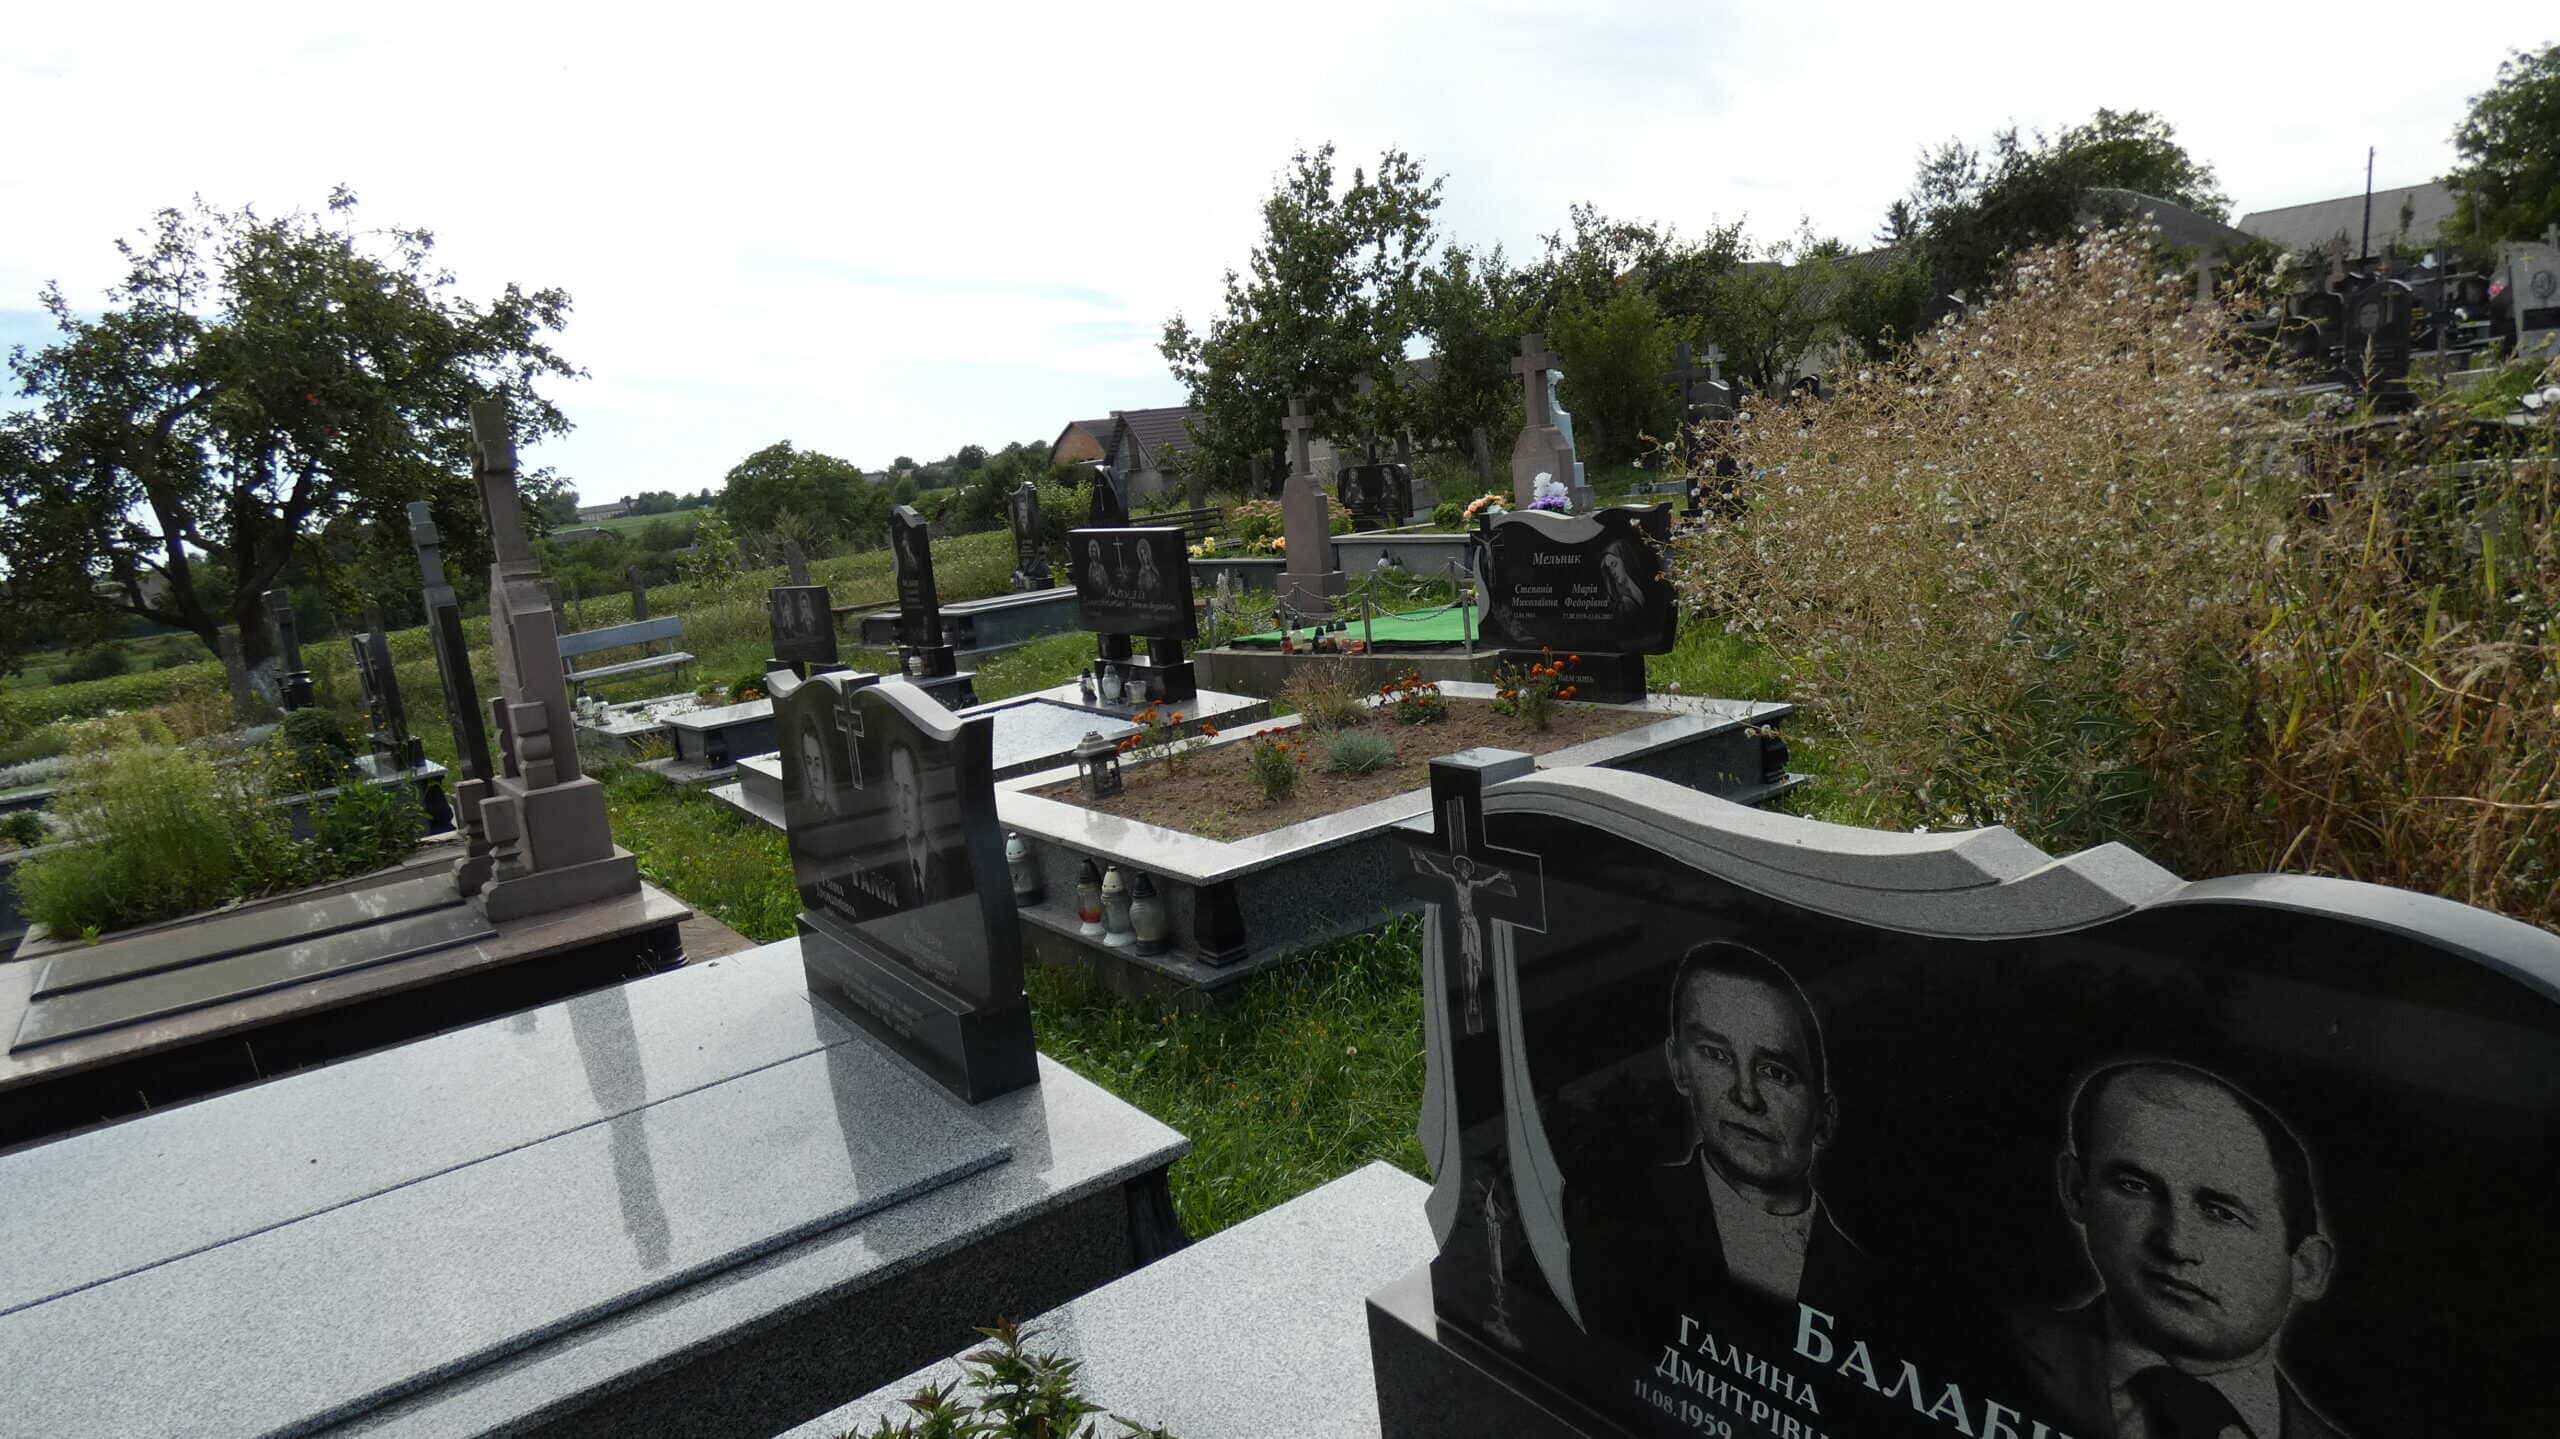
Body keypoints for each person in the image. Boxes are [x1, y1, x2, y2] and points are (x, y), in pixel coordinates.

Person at [2007, 1061, 2351, 1439]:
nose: (2176, 1244)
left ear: (2306, 1267)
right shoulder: (1985, 1348)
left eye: (2222, 1213)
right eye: (2135, 1187)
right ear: (2076, 1191)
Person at [1571, 941, 1873, 1342]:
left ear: (1825, 1117)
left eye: (1776, 1072)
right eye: (1715, 1055)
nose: (1746, 1096)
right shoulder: (1615, 1212)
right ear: (1679, 1066)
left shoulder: (1869, 1290)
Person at [884, 738, 948, 908]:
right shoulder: (888, 862)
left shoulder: (944, 870)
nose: (903, 806)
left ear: (921, 792)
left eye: (908, 789)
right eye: (897, 788)